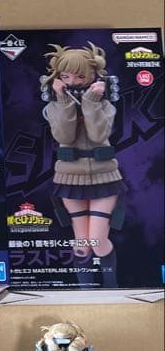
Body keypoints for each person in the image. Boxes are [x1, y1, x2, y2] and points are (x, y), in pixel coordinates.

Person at [41, 41, 123, 287]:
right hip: (69, 176)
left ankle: (112, 288)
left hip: (104, 175)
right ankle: (84, 290)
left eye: (80, 76)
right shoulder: (54, 106)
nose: (73, 82)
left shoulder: (105, 104)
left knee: (97, 240)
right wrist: (63, 101)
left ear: (93, 76)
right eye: (65, 76)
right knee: (82, 244)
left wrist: (91, 102)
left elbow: (98, 136)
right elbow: (64, 137)